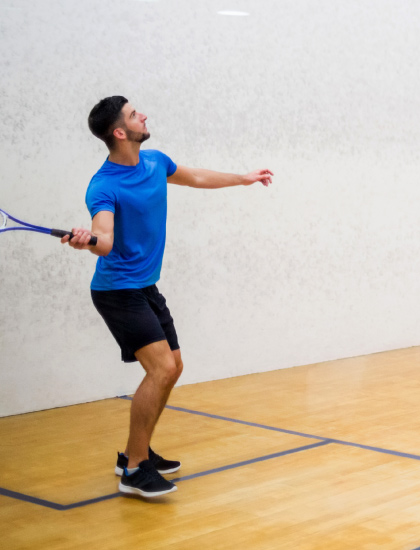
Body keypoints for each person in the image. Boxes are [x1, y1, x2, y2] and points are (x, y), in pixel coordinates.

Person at [63, 96, 274, 498]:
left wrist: (242, 179)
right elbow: (104, 240)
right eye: (133, 114)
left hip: (145, 287)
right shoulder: (104, 186)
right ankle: (134, 470)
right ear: (120, 132)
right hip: (117, 292)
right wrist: (86, 240)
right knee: (160, 368)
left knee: (173, 366)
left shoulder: (156, 162)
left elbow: (196, 177)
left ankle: (135, 453)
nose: (143, 115)